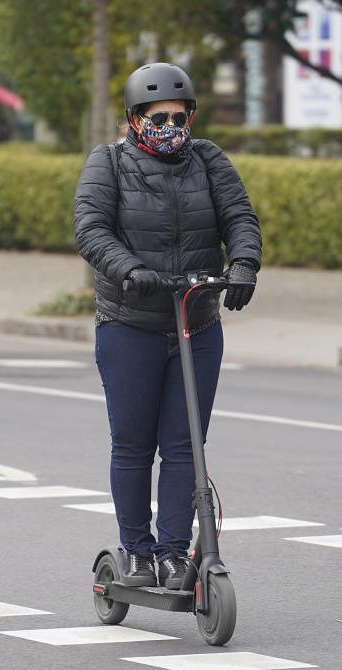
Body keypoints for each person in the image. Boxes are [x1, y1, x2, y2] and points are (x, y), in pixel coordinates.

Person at [73, 62, 262, 589]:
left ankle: (176, 553)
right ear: (135, 119)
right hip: (129, 323)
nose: (170, 126)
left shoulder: (209, 160)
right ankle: (137, 550)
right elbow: (90, 229)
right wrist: (131, 271)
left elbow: (240, 218)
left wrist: (244, 265)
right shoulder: (108, 163)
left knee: (185, 445)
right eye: (158, 117)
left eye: (179, 116)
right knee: (133, 443)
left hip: (196, 323)